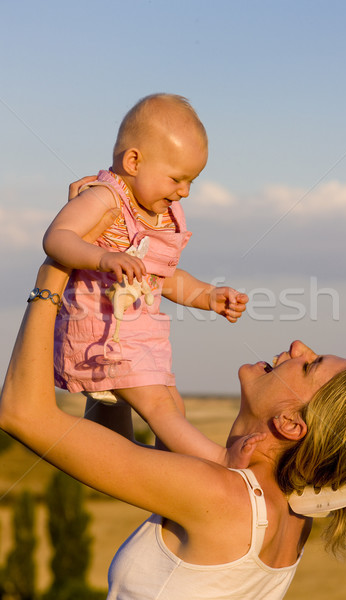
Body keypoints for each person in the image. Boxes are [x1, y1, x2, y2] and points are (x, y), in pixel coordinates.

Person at [0, 257, 346, 600]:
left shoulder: (223, 497)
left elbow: (21, 412)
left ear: (291, 423)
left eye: (309, 364)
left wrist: (54, 272)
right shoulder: (289, 510)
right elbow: (113, 459)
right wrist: (112, 333)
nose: (297, 346)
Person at [42, 94, 249, 461]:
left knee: (169, 408)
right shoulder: (105, 198)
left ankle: (166, 477)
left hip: (142, 338)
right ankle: (222, 463)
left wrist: (207, 296)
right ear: (134, 161)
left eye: (192, 181)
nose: (184, 191)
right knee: (161, 407)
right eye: (177, 178)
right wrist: (103, 256)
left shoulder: (161, 215)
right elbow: (57, 238)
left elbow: (162, 277)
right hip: (102, 333)